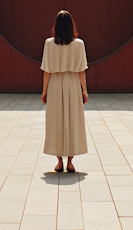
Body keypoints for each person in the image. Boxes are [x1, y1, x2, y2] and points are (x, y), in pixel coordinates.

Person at [41, 9, 89, 172]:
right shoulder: (79, 44)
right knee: (72, 121)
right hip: (72, 84)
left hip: (55, 83)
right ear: (71, 25)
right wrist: (84, 90)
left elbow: (46, 70)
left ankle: (59, 161)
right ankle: (70, 161)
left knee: (56, 121)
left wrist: (44, 91)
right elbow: (81, 70)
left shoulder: (48, 43)